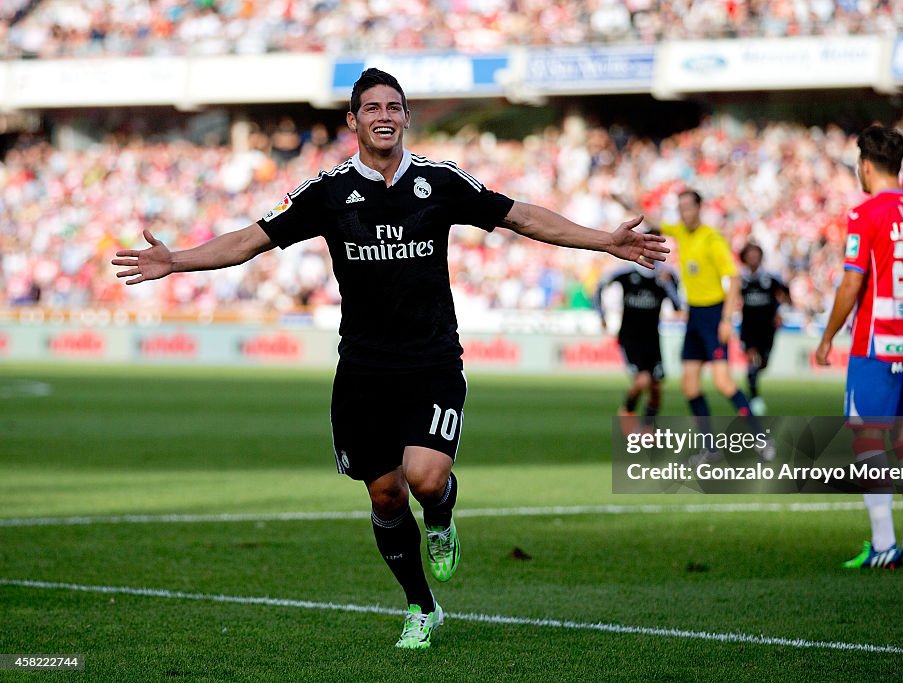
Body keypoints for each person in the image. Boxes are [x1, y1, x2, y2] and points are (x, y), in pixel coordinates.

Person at [111, 68, 668, 648]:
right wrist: (178, 261)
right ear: (353, 120)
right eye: (372, 107)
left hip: (431, 360)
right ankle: (421, 605)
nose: (384, 116)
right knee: (384, 494)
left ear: (406, 117)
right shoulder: (325, 193)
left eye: (394, 107)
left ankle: (444, 516)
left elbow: (521, 216)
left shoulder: (440, 181)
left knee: (427, 481)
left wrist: (603, 239)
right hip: (363, 369)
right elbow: (250, 240)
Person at [815, 126, 903, 569]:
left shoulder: (865, 214)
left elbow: (853, 282)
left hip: (876, 343)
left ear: (865, 166)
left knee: (868, 439)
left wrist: (829, 335)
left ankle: (884, 541)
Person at [655, 191, 770, 461]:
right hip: (694, 315)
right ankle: (710, 447)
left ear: (699, 207)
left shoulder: (712, 238)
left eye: (687, 207)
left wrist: (727, 319)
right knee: (689, 386)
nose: (683, 212)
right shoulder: (681, 232)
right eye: (680, 207)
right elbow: (655, 222)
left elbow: (733, 279)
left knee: (723, 382)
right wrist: (626, 203)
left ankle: (761, 438)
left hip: (714, 314)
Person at [594, 257, 683, 426]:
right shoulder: (627, 273)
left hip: (652, 339)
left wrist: (667, 285)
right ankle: (627, 411)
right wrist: (601, 315)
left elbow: (678, 306)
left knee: (656, 388)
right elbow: (599, 287)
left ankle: (648, 427)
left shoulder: (667, 275)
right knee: (642, 380)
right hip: (630, 337)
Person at [738, 243, 790, 416]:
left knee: (763, 364)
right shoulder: (739, 279)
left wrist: (780, 312)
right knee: (752, 361)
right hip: (748, 329)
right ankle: (754, 399)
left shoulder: (770, 278)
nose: (753, 258)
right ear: (744, 258)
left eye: (756, 255)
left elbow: (786, 294)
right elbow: (731, 298)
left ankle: (752, 383)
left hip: (767, 329)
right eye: (750, 255)